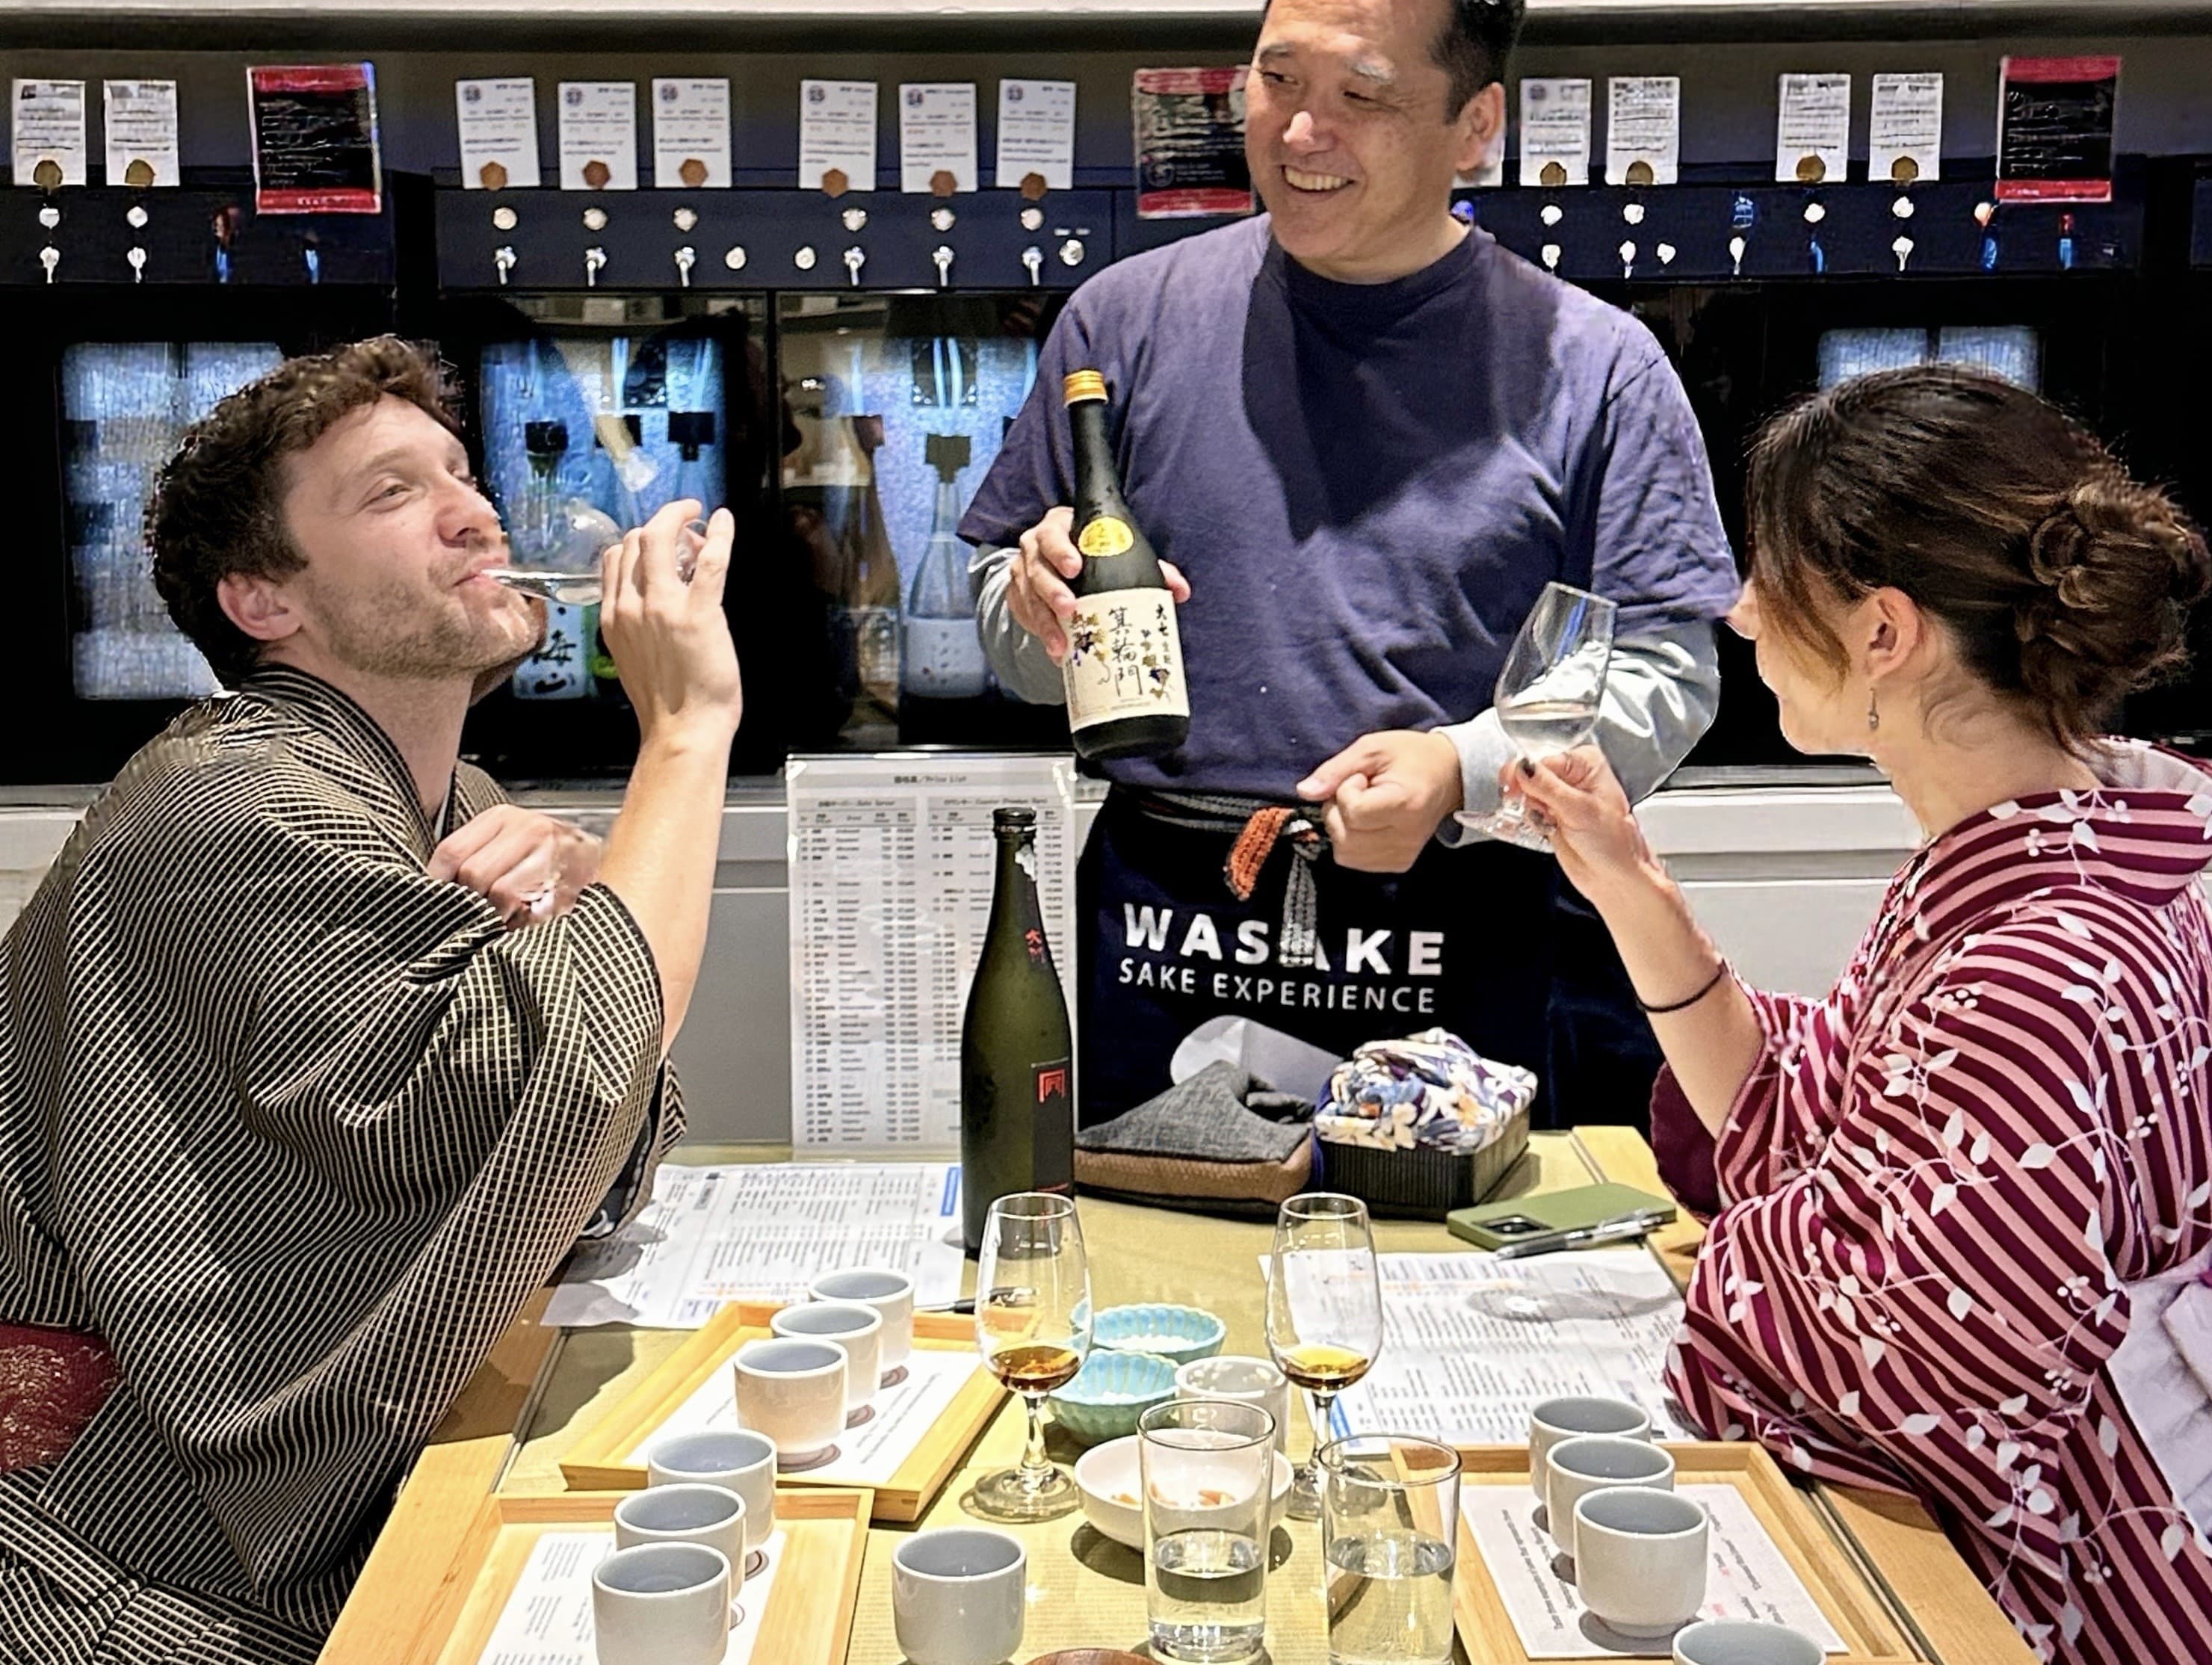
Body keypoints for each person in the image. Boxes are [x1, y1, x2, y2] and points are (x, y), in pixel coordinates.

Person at [0, 338, 741, 1662]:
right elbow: (535, 1096)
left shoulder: (440, 806)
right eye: (391, 495)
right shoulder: (223, 802)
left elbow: (588, 1150)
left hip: (280, 1537)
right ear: (261, 600)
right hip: (123, 1577)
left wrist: (587, 878)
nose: (477, 511)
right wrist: (684, 737)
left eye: (461, 473)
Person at [1509, 364, 2212, 1665]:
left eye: (1769, 576)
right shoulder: (2092, 835)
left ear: (1886, 632)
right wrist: (1632, 884)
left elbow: (1911, 1368)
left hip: (2054, 1599)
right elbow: (1810, 1121)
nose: (1736, 609)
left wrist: (1747, 1255)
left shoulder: (2041, 967)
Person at [962, 0, 1739, 1126]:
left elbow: (1667, 671)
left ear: (1476, 125)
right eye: (1277, 82)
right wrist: (1036, 613)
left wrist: (1461, 772)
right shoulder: (1121, 325)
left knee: (1451, 1288)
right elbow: (1003, 609)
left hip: (1464, 919)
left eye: (1361, 97)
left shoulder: (1597, 367)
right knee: (1158, 1284)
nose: (1299, 133)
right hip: (1166, 924)